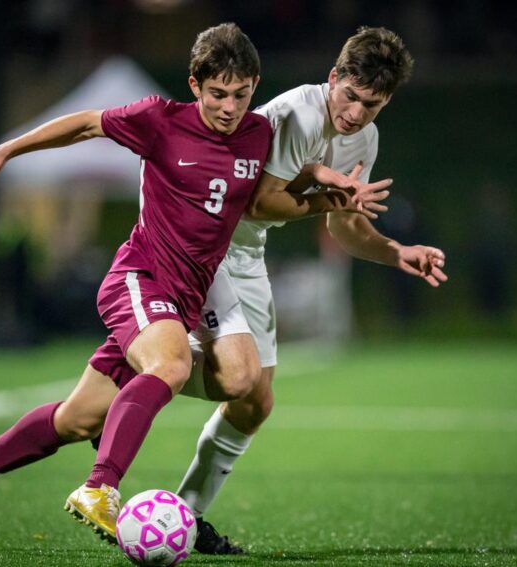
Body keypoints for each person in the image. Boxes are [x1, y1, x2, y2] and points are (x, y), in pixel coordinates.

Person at [0, 22, 389, 545]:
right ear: (195, 85)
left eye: (241, 94)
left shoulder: (258, 133)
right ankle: (100, 487)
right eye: (217, 94)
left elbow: (288, 179)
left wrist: (326, 183)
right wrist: (7, 151)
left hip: (186, 298)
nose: (229, 107)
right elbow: (87, 124)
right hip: (140, 277)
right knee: (174, 363)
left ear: (255, 86)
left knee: (80, 420)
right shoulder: (160, 120)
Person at [174, 26, 448, 554]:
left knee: (255, 402)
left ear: (386, 100)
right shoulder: (300, 113)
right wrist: (329, 196)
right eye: (350, 96)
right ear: (333, 78)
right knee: (240, 379)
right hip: (211, 237)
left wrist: (395, 252)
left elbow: (344, 226)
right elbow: (260, 202)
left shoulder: (364, 138)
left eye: (372, 103)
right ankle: (137, 373)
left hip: (247, 251)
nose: (356, 112)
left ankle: (183, 515)